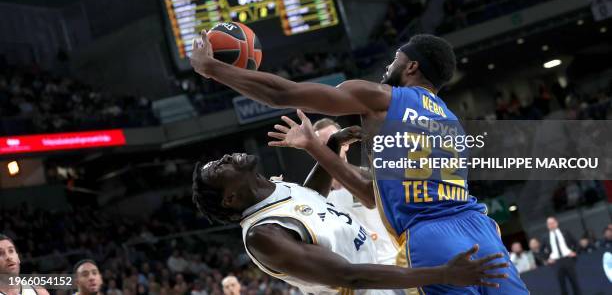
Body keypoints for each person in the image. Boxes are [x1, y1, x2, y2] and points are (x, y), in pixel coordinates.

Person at [190, 32, 527, 294]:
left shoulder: (381, 97)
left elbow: (283, 94)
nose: (386, 67)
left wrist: (212, 69)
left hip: (429, 236)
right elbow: (370, 193)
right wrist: (318, 146)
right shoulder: (450, 119)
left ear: (412, 66)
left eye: (395, 60)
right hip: (479, 227)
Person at [192, 130, 509, 294]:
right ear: (230, 198)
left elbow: (311, 200)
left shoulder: (278, 192)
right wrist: (443, 275)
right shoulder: (263, 234)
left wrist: (330, 148)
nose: (224, 158)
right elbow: (350, 276)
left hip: (390, 277)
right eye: (218, 169)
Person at [313, 118, 399, 268]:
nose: (330, 146)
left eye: (335, 140)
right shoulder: (314, 196)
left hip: (390, 262)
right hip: (356, 273)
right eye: (324, 143)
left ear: (347, 143)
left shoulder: (369, 176)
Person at [541, 217, 582, 295]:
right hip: (556, 262)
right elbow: (540, 251)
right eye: (549, 224)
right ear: (547, 226)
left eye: (552, 223)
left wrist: (575, 252)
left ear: (556, 223)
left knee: (574, 282)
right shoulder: (545, 237)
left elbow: (576, 243)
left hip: (568, 259)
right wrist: (547, 259)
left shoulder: (565, 232)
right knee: (562, 285)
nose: (551, 225)